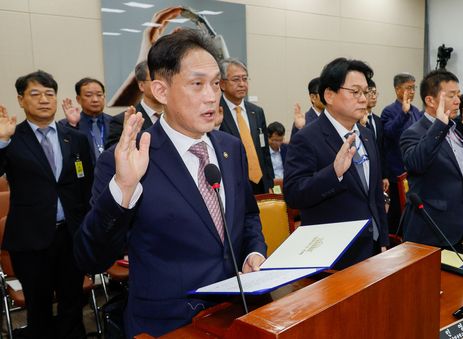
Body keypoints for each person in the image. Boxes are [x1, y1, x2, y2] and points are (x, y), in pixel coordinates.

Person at [74, 29, 267, 338]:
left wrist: (252, 253)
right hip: (168, 325)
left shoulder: (230, 147)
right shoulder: (128, 158)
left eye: (216, 83)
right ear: (161, 91)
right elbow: (90, 257)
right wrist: (123, 190)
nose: (211, 95)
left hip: (235, 313)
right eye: (197, 84)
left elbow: (247, 216)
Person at [0, 70, 94, 338]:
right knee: (38, 308)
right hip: (30, 240)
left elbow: (86, 186)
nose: (44, 100)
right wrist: (1, 142)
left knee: (73, 304)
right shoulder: (12, 138)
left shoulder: (75, 137)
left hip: (70, 236)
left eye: (49, 94)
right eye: (35, 94)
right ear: (21, 100)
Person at [284, 57, 389, 270]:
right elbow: (294, 194)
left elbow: (375, 195)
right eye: (355, 92)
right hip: (334, 256)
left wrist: (384, 240)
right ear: (329, 95)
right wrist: (334, 173)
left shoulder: (366, 135)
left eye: (366, 92)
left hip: (372, 248)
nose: (363, 99)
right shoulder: (307, 138)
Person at [400, 69, 463, 247]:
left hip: (460, 224)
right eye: (451, 96)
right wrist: (439, 126)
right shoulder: (413, 133)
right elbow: (416, 163)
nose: (458, 100)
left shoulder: (454, 130)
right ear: (430, 100)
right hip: (431, 228)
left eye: (458, 94)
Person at [218, 58, 274, 194]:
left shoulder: (256, 111)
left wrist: (269, 181)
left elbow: (264, 149)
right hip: (232, 184)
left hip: (260, 183)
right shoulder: (215, 111)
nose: (242, 84)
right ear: (222, 84)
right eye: (236, 79)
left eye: (245, 79)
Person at [380, 73, 422, 234]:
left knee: (413, 210)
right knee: (397, 213)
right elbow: (389, 134)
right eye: (408, 88)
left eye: (413, 88)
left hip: (414, 169)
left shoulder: (416, 111)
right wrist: (403, 114)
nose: (412, 91)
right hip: (397, 170)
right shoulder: (389, 111)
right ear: (398, 89)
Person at [105, 61, 164, 148]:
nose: (162, 85)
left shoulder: (178, 117)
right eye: (154, 80)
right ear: (141, 85)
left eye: (164, 79)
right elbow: (112, 156)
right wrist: (127, 138)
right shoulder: (122, 121)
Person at [61, 78, 113, 161]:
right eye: (89, 95)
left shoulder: (114, 122)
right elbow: (67, 152)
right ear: (78, 99)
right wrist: (73, 125)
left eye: (99, 95)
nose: (95, 100)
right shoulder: (66, 125)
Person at [361, 78, 389, 192]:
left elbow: (381, 150)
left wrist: (384, 175)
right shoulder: (355, 121)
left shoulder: (378, 120)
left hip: (378, 174)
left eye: (375, 93)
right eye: (370, 93)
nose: (374, 96)